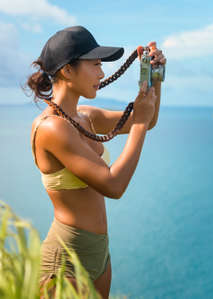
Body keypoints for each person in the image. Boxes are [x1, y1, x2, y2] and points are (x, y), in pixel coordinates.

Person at [26, 26, 166, 299]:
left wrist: (155, 77)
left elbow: (149, 121)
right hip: (65, 258)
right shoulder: (50, 128)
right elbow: (114, 186)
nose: (101, 74)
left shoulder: (86, 116)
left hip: (98, 250)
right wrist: (138, 121)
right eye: (95, 65)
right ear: (68, 70)